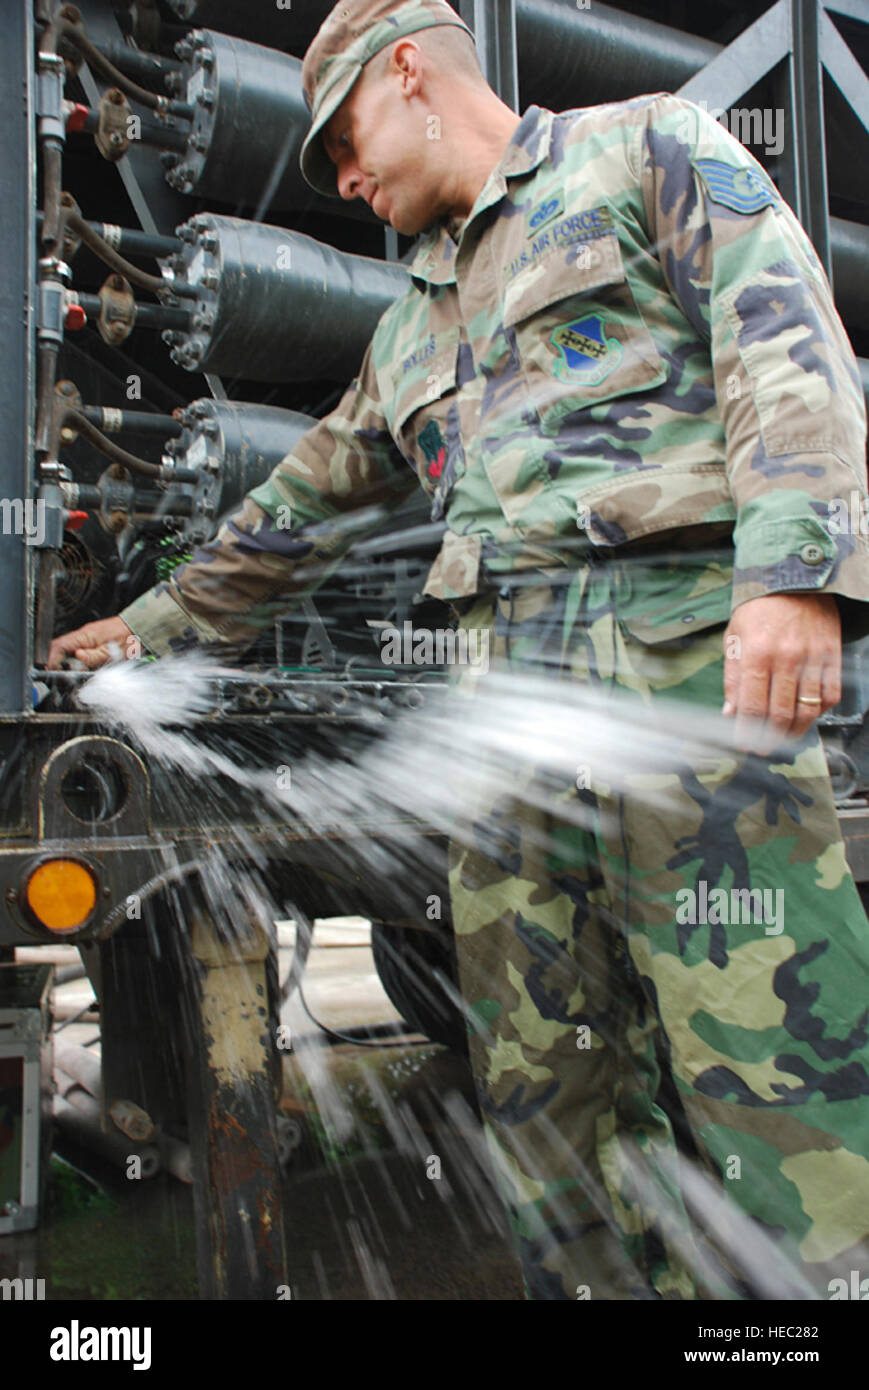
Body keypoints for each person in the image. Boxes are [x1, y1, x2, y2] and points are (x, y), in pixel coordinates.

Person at [48, 0, 869, 1300]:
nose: (343, 179)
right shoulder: (411, 332)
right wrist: (142, 629)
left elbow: (778, 332)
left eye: (342, 142)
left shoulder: (641, 148)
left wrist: (791, 573)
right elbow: (294, 514)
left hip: (687, 696)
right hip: (508, 740)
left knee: (777, 1096)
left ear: (410, 70)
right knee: (548, 1108)